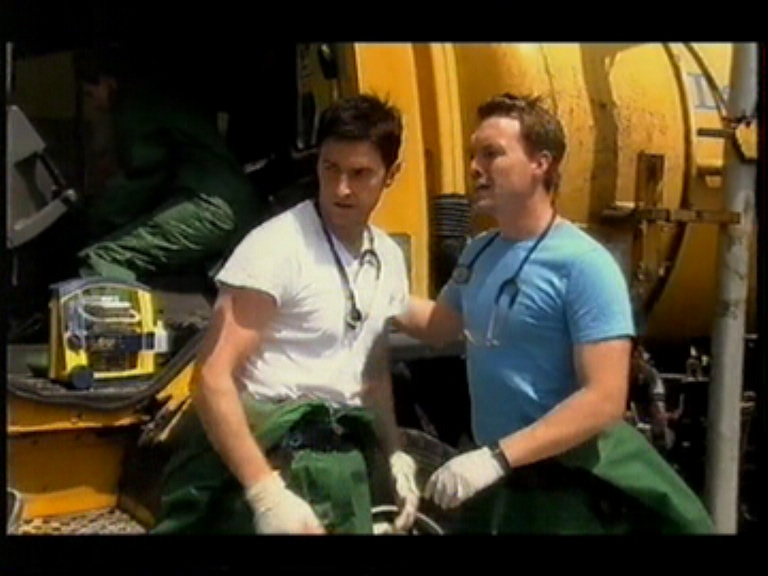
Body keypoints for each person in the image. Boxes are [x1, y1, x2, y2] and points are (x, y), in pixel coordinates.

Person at [395, 93, 713, 533]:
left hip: (566, 486)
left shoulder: (584, 265)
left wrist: (497, 457)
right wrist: (377, 294)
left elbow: (604, 399)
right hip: (508, 483)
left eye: (491, 154)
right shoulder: (479, 252)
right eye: (473, 155)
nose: (474, 168)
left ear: (540, 164)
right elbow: (441, 326)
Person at [150, 94, 419, 535]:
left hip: (341, 463)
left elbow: (372, 374)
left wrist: (394, 454)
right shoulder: (276, 248)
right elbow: (212, 377)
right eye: (330, 168)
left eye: (360, 174)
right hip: (273, 460)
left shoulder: (386, 257)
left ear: (392, 174)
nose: (341, 188)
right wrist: (265, 493)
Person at [75, 48, 266, 284]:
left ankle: (108, 309)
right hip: (241, 207)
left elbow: (142, 181)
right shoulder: (159, 97)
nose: (93, 104)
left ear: (108, 83)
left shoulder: (135, 108)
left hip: (209, 210)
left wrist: (96, 219)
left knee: (103, 257)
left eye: (90, 94)